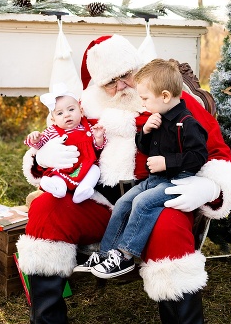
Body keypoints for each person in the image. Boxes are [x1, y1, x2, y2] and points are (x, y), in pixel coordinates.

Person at [7, 35, 231, 324]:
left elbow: (219, 156)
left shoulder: (176, 104)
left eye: (126, 75)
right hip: (101, 206)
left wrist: (209, 185)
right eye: (109, 82)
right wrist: (41, 159)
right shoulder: (85, 112)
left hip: (160, 202)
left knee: (168, 227)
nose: (121, 86)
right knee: (45, 209)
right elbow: (51, 140)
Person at [86, 58, 208, 278]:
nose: (142, 104)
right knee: (124, 203)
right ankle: (106, 253)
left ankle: (125, 255)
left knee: (142, 203)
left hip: (177, 181)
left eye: (145, 98)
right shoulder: (157, 116)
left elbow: (198, 156)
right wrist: (146, 133)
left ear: (164, 96)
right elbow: (143, 148)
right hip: (154, 180)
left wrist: (167, 162)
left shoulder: (187, 122)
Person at [25, 83, 105, 204]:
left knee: (95, 170)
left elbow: (97, 148)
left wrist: (98, 138)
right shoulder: (53, 131)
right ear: (53, 120)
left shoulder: (88, 127)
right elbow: (41, 146)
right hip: (64, 165)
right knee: (58, 174)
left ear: (81, 111)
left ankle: (82, 191)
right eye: (60, 113)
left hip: (86, 164)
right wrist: (35, 139)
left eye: (71, 109)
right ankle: (58, 188)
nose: (67, 114)